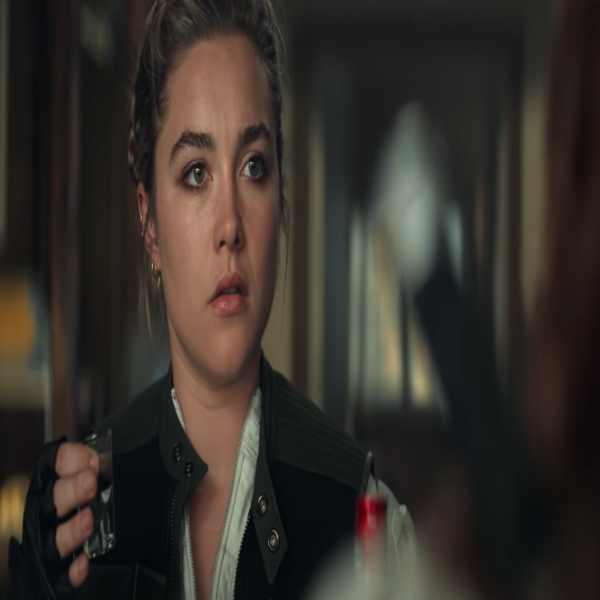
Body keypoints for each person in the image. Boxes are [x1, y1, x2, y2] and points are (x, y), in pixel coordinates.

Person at [6, 1, 415, 599]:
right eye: (196, 173)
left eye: (254, 166)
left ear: (281, 197)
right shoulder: (84, 521)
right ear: (149, 222)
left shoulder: (364, 521)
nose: (230, 225)